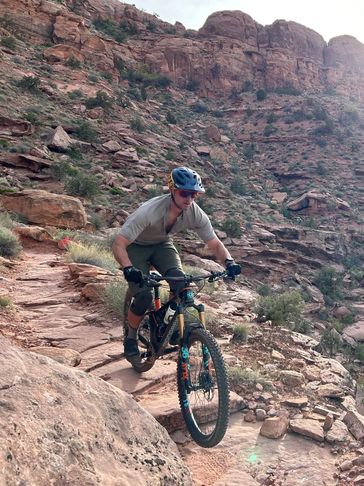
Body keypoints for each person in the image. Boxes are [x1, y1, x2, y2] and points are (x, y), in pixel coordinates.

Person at [112, 167, 241, 363]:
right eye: (184, 193)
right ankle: (131, 336)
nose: (189, 199)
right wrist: (128, 267)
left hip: (162, 244)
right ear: (172, 190)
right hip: (135, 246)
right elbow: (119, 243)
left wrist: (229, 261)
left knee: (182, 285)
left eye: (194, 194)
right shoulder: (149, 211)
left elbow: (214, 242)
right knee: (144, 295)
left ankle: (167, 324)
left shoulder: (195, 213)